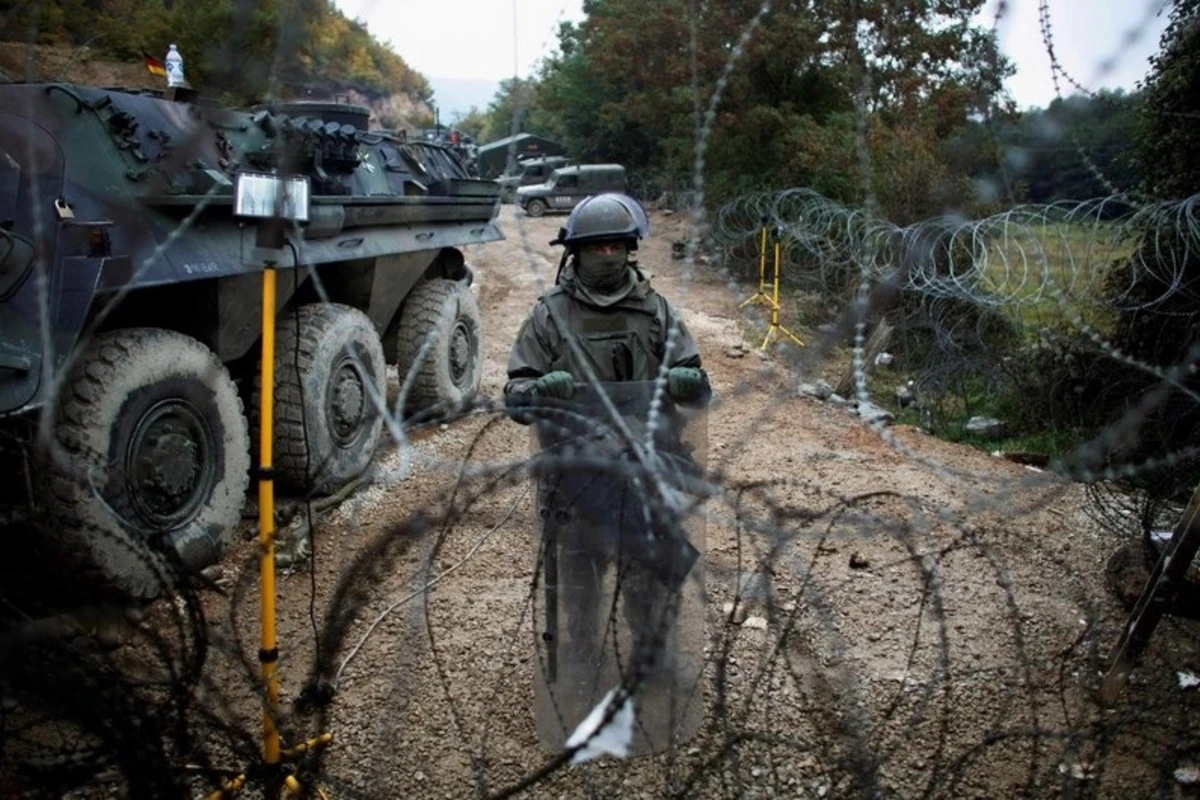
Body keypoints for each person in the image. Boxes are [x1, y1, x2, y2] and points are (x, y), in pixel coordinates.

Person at [504, 192, 710, 688]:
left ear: (632, 248)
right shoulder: (550, 316)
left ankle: (652, 656)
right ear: (575, 251)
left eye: (618, 245)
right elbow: (514, 396)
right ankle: (579, 657)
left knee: (652, 567)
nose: (609, 255)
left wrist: (690, 382)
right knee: (579, 570)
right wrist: (536, 389)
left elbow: (697, 384)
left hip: (646, 462)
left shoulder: (656, 311)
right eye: (597, 247)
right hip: (576, 467)